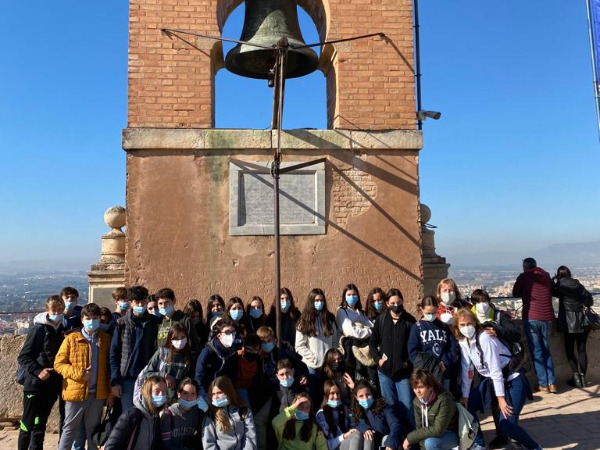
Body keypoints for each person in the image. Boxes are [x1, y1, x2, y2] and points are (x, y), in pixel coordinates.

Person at [454, 308, 542, 450]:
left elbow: (495, 369)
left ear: (475, 323)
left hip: (512, 378)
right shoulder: (464, 342)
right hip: (491, 382)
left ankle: (534, 447)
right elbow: (467, 369)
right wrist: (465, 395)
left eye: (469, 324)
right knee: (467, 407)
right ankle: (479, 444)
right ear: (457, 327)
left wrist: (501, 399)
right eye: (462, 325)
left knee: (506, 425)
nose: (466, 328)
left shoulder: (485, 338)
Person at [54, 303, 113, 450]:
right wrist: (80, 374)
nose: (91, 321)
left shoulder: (106, 339)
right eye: (88, 318)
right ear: (82, 320)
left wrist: (110, 392)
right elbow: (59, 364)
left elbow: (110, 367)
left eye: (95, 318)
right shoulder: (71, 339)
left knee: (93, 431)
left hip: (97, 394)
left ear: (99, 319)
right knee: (69, 430)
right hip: (75, 393)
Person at [470, 289, 523, 449]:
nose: (482, 305)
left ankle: (513, 435)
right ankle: (501, 434)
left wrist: (498, 331)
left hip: (507, 366)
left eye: (484, 300)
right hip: (485, 369)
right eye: (478, 302)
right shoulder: (470, 319)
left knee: (508, 401)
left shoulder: (499, 316)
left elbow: (515, 333)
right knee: (494, 400)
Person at [17, 295, 65, 450]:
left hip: (51, 385)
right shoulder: (38, 329)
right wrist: (38, 371)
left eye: (60, 310)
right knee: (27, 424)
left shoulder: (62, 330)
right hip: (34, 385)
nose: (57, 313)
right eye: (54, 310)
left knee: (40, 423)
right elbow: (23, 357)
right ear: (47, 310)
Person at [369, 288, 416, 427]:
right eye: (393, 303)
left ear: (402, 301)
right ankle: (395, 437)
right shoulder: (381, 319)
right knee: (390, 406)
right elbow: (373, 342)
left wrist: (407, 363)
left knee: (407, 406)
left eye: (399, 302)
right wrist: (378, 359)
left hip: (404, 373)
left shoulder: (410, 321)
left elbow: (413, 346)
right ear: (387, 304)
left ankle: (410, 439)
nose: (396, 305)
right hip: (385, 373)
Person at [110, 285, 159, 411]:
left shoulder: (154, 323)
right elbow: (114, 354)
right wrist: (115, 382)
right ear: (131, 303)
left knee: (149, 415)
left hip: (148, 377)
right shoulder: (121, 324)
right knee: (129, 417)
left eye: (143, 301)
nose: (141, 305)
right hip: (127, 379)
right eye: (137, 302)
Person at [512, 257, 557, 393]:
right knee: (546, 350)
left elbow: (515, 293)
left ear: (525, 267)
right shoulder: (546, 275)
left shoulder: (524, 277)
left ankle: (543, 384)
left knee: (537, 351)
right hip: (548, 317)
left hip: (532, 317)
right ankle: (552, 383)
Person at [295, 288, 340, 404]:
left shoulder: (329, 318)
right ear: (311, 301)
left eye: (322, 300)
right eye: (316, 300)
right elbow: (299, 346)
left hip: (328, 366)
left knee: (328, 396)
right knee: (314, 397)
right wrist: (313, 357)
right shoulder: (304, 320)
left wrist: (332, 356)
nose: (319, 303)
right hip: (312, 367)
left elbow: (335, 339)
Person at [552, 265, 595, 388]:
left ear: (559, 275)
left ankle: (576, 377)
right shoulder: (578, 285)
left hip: (568, 323)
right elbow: (589, 300)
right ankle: (584, 379)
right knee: (582, 350)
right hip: (583, 322)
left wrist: (553, 280)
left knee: (570, 351)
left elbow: (550, 290)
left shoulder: (559, 287)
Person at [104, 375, 167, 450]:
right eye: (157, 391)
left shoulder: (155, 417)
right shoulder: (131, 415)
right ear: (148, 392)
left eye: (164, 391)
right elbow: (111, 446)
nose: (161, 394)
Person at [408, 296, 457, 390]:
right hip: (425, 375)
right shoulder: (417, 328)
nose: (431, 315)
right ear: (422, 310)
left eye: (434, 313)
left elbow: (452, 348)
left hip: (444, 373)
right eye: (428, 313)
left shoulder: (443, 327)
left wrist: (445, 363)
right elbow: (413, 353)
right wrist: (432, 365)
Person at [402, 369, 458, 450]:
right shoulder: (417, 401)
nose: (417, 391)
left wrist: (410, 438)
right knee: (426, 442)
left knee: (431, 443)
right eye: (414, 388)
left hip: (452, 433)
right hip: (433, 435)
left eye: (421, 387)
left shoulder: (444, 399)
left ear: (430, 386)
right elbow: (420, 430)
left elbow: (438, 429)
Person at [136, 322, 193, 400]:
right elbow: (147, 374)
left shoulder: (189, 356)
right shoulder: (162, 353)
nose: (180, 341)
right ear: (170, 339)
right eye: (176, 338)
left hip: (178, 400)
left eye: (182, 337)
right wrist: (164, 375)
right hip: (160, 397)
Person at [202, 376, 257, 450]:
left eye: (219, 393)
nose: (215, 397)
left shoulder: (243, 411)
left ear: (228, 392)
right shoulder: (211, 415)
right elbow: (209, 443)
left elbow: (250, 437)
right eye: (213, 394)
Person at [349, 380, 402, 450]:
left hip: (384, 442)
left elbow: (395, 425)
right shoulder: (354, 410)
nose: (365, 398)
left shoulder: (384, 407)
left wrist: (391, 443)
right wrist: (365, 428)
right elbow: (354, 423)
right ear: (356, 397)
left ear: (372, 393)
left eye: (368, 394)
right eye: (361, 396)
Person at [195, 318, 240, 400]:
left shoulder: (233, 353)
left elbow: (233, 376)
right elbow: (199, 377)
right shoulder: (207, 352)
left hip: (224, 391)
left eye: (233, 332)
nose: (231, 335)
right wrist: (205, 396)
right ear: (219, 335)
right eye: (227, 332)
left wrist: (230, 393)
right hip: (207, 391)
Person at [336, 284, 374, 380]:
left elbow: (371, 326)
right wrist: (367, 331)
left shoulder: (360, 312)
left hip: (364, 348)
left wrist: (364, 329)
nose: (351, 297)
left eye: (354, 294)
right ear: (344, 296)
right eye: (349, 295)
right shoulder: (342, 311)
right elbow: (350, 331)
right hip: (351, 351)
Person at [316, 380, 363, 450]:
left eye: (338, 393)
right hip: (334, 445)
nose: (336, 396)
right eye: (332, 393)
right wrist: (343, 436)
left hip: (347, 441)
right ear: (326, 395)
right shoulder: (321, 414)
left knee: (367, 437)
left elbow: (353, 420)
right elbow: (325, 443)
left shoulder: (345, 409)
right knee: (357, 436)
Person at [161, 378, 207, 450]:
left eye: (193, 394)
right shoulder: (168, 414)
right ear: (178, 394)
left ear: (197, 396)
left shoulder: (199, 413)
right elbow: (166, 445)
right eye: (185, 393)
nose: (189, 398)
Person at [156, 288, 200, 358]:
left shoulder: (184, 320)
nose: (163, 306)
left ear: (174, 301)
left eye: (166, 302)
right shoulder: (159, 323)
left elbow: (193, 345)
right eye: (160, 303)